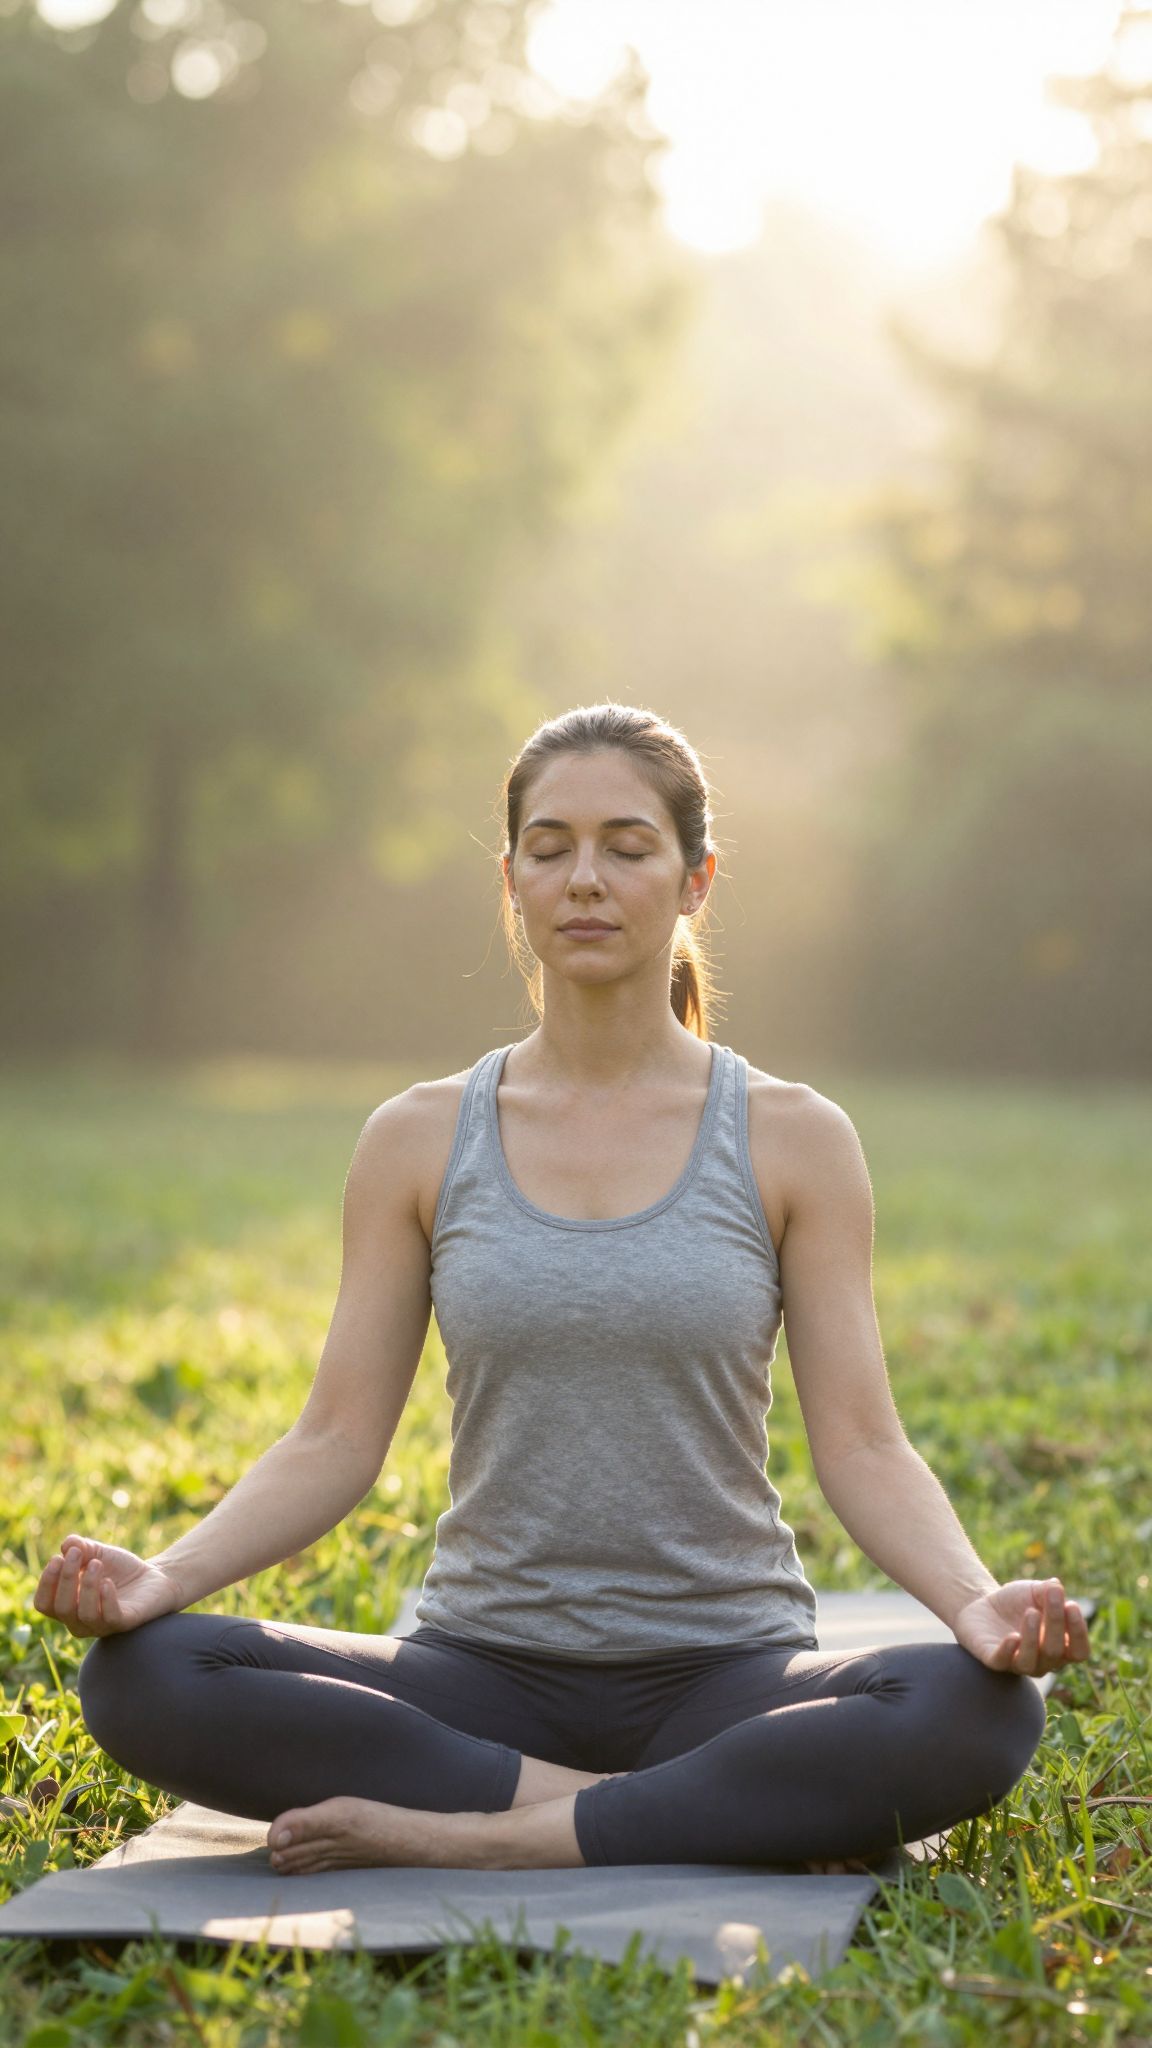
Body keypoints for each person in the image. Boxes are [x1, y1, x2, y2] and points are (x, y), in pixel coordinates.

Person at [34, 702, 1089, 1880]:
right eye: (551, 846)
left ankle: (479, 1835)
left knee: (979, 1703)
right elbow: (334, 1435)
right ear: (512, 878)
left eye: (628, 846)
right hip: (480, 1672)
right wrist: (162, 1578)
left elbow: (865, 1443)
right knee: (144, 1674)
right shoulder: (418, 1137)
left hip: (725, 1670)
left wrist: (976, 1601)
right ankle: (653, 1813)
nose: (587, 877)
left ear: (695, 879)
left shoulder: (794, 1137)